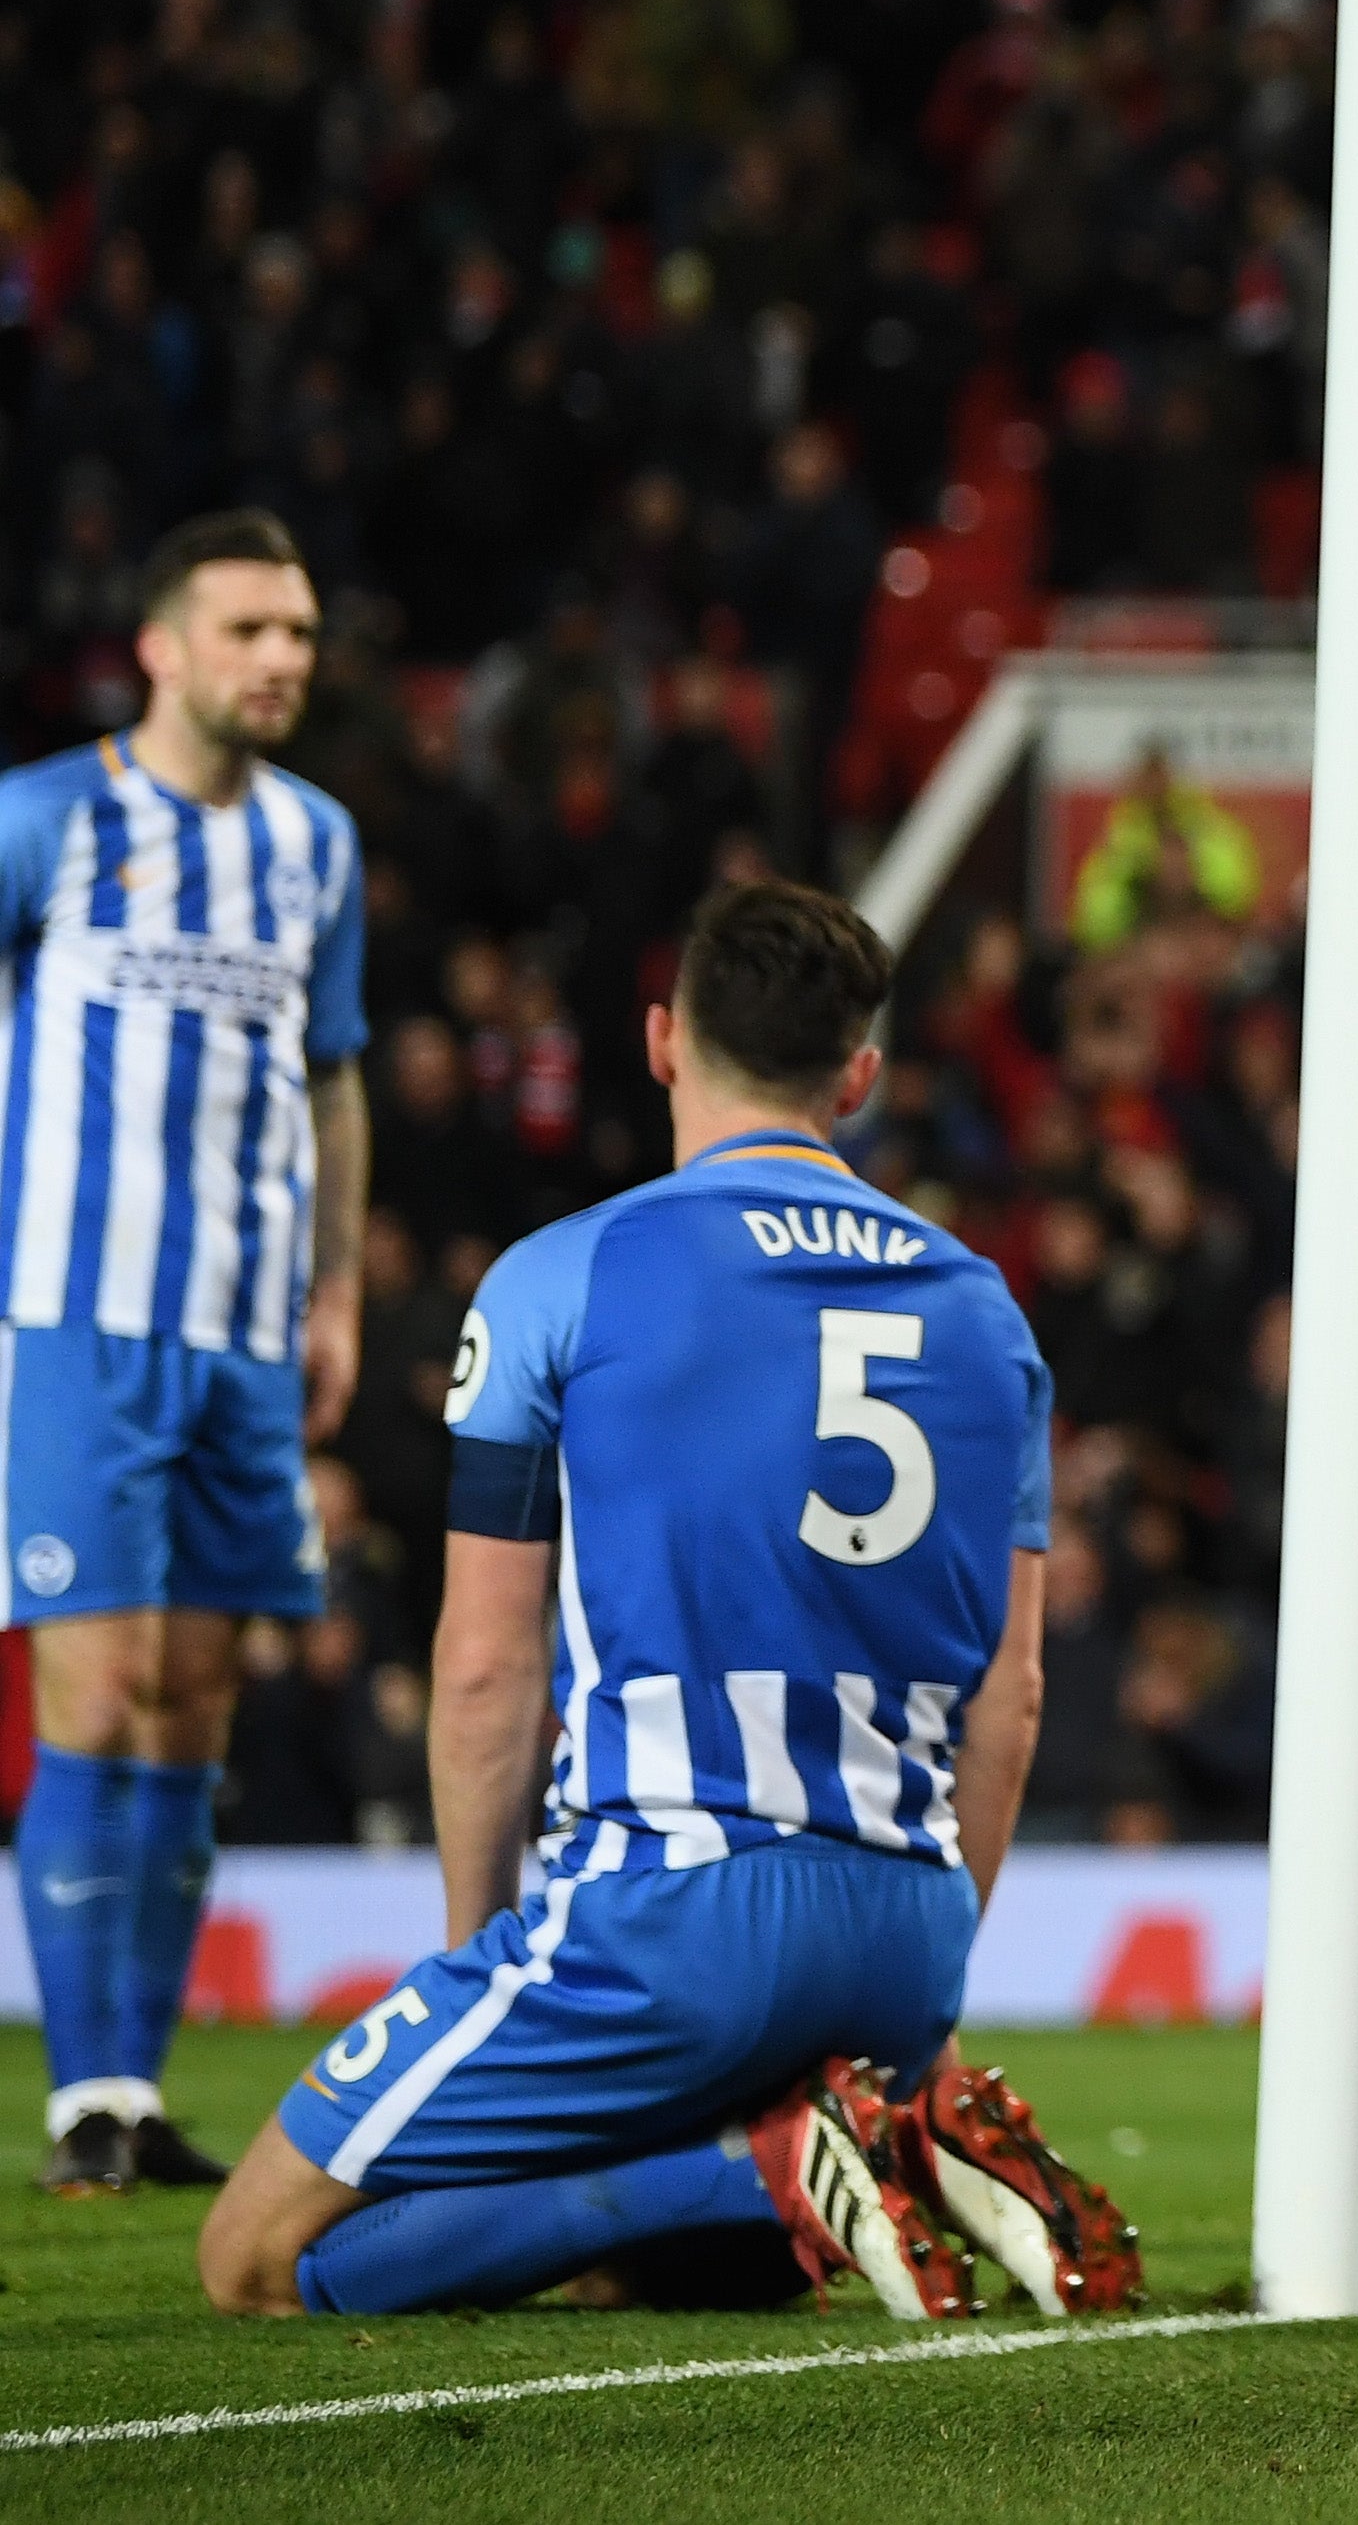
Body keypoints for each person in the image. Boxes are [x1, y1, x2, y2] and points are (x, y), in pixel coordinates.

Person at [192, 882, 1136, 2321]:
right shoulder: (986, 1312)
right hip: (901, 1933)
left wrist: (475, 1948)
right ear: (860, 1077)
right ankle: (868, 2140)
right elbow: (1013, 1693)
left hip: (665, 1917)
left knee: (256, 2262)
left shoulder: (564, 1275)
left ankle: (769, 2163)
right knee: (616, 2275)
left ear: (658, 1041)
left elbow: (489, 1667)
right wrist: (924, 2004)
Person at [7, 512, 371, 2195]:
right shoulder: (45, 818)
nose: (280, 657)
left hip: (242, 1340)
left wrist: (337, 1291)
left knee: (194, 1712)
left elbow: (333, 1074)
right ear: (162, 646)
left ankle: (135, 2094)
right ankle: (85, 2096)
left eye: (296, 630)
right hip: (77, 1319)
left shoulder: (317, 844)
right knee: (99, 1684)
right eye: (246, 629)